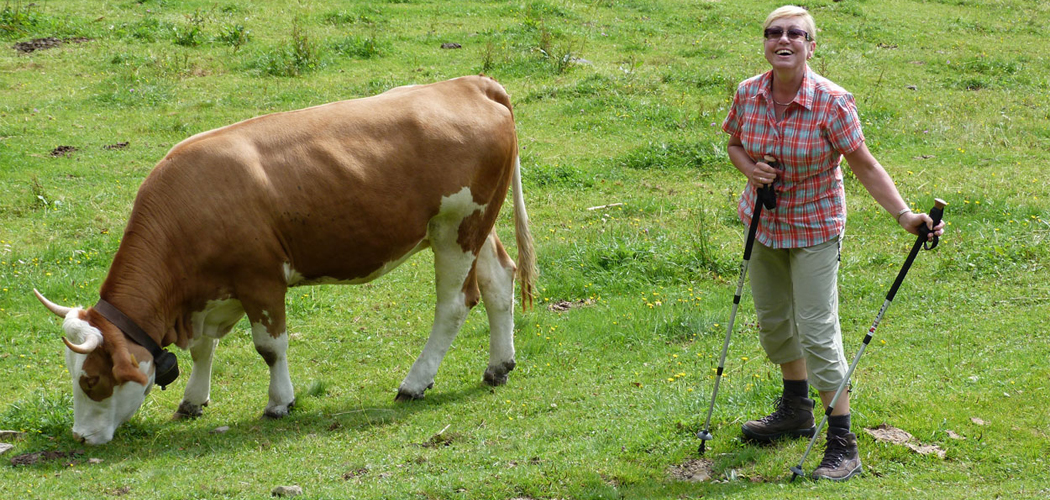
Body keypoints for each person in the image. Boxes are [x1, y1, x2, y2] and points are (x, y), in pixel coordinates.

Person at [720, 5, 945, 481]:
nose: (783, 40)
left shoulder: (832, 101)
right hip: (763, 224)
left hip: (816, 227)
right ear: (764, 42)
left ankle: (843, 442)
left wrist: (905, 215)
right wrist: (749, 169)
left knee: (818, 327)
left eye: (795, 34)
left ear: (810, 45)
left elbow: (862, 163)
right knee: (773, 321)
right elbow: (734, 143)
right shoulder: (748, 93)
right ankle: (796, 407)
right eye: (773, 33)